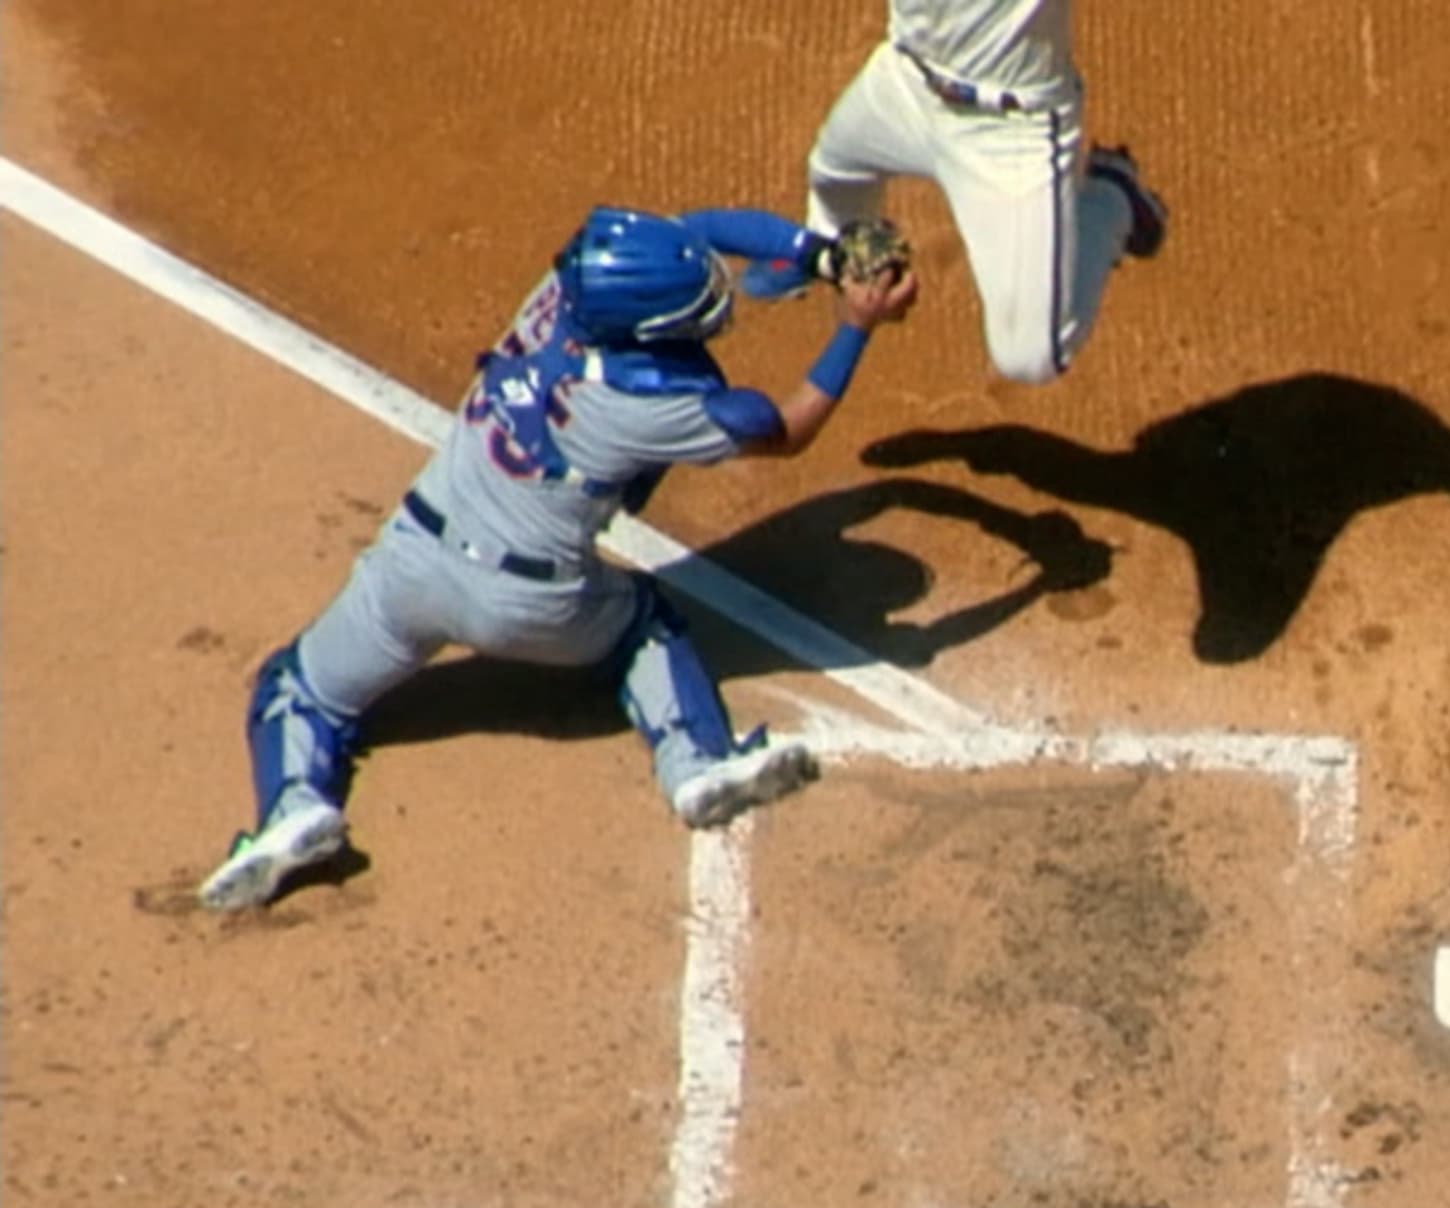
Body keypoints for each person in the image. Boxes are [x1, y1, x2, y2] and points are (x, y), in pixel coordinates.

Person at [197, 205, 919, 914]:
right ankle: (698, 763)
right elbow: (787, 427)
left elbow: (691, 230)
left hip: (411, 567)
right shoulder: (664, 407)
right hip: (534, 608)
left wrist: (819, 254)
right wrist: (854, 324)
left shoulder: (561, 293)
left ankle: (290, 809)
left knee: (299, 688)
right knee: (648, 620)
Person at [757, 0, 1166, 384]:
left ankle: (1109, 200)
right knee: (834, 174)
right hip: (906, 82)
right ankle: (836, 257)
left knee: (1031, 356)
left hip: (1010, 129)